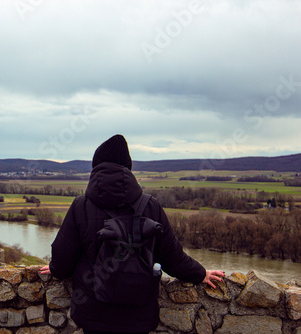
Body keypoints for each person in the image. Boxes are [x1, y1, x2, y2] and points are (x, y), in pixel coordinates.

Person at [40, 134, 225, 334]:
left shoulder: (81, 206)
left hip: (94, 312)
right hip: (139, 314)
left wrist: (55, 269)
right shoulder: (150, 205)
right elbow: (172, 256)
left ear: (96, 168)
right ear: (128, 168)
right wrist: (200, 273)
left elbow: (63, 254)